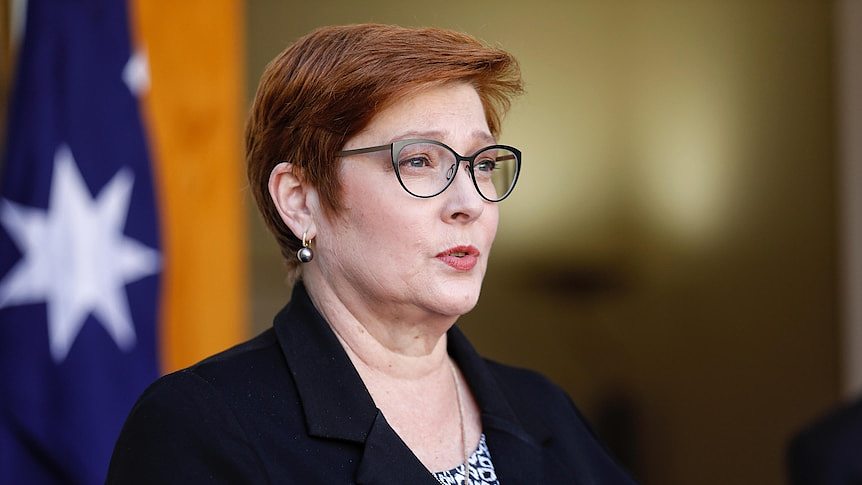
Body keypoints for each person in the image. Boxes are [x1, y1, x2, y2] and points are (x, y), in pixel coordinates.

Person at [107, 24, 636, 484]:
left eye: (480, 164)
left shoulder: (541, 409)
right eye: (420, 161)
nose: (470, 203)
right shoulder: (201, 424)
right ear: (300, 200)